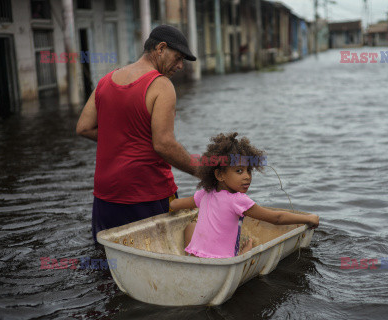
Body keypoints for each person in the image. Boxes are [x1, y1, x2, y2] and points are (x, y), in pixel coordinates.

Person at [76, 25, 198, 243]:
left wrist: (122, 137)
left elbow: (83, 127)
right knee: (159, 257)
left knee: (109, 262)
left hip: (106, 195)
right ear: (161, 48)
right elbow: (164, 144)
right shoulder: (161, 85)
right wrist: (203, 172)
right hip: (147, 193)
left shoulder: (106, 80)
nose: (180, 66)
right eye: (178, 57)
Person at [169, 132, 320, 258]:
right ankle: (244, 251)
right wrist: (309, 218)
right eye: (239, 171)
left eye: (249, 170)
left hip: (196, 258)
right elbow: (277, 218)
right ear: (220, 175)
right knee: (248, 244)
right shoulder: (238, 200)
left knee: (191, 225)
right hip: (223, 262)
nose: (247, 176)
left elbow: (175, 205)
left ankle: (191, 256)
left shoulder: (205, 193)